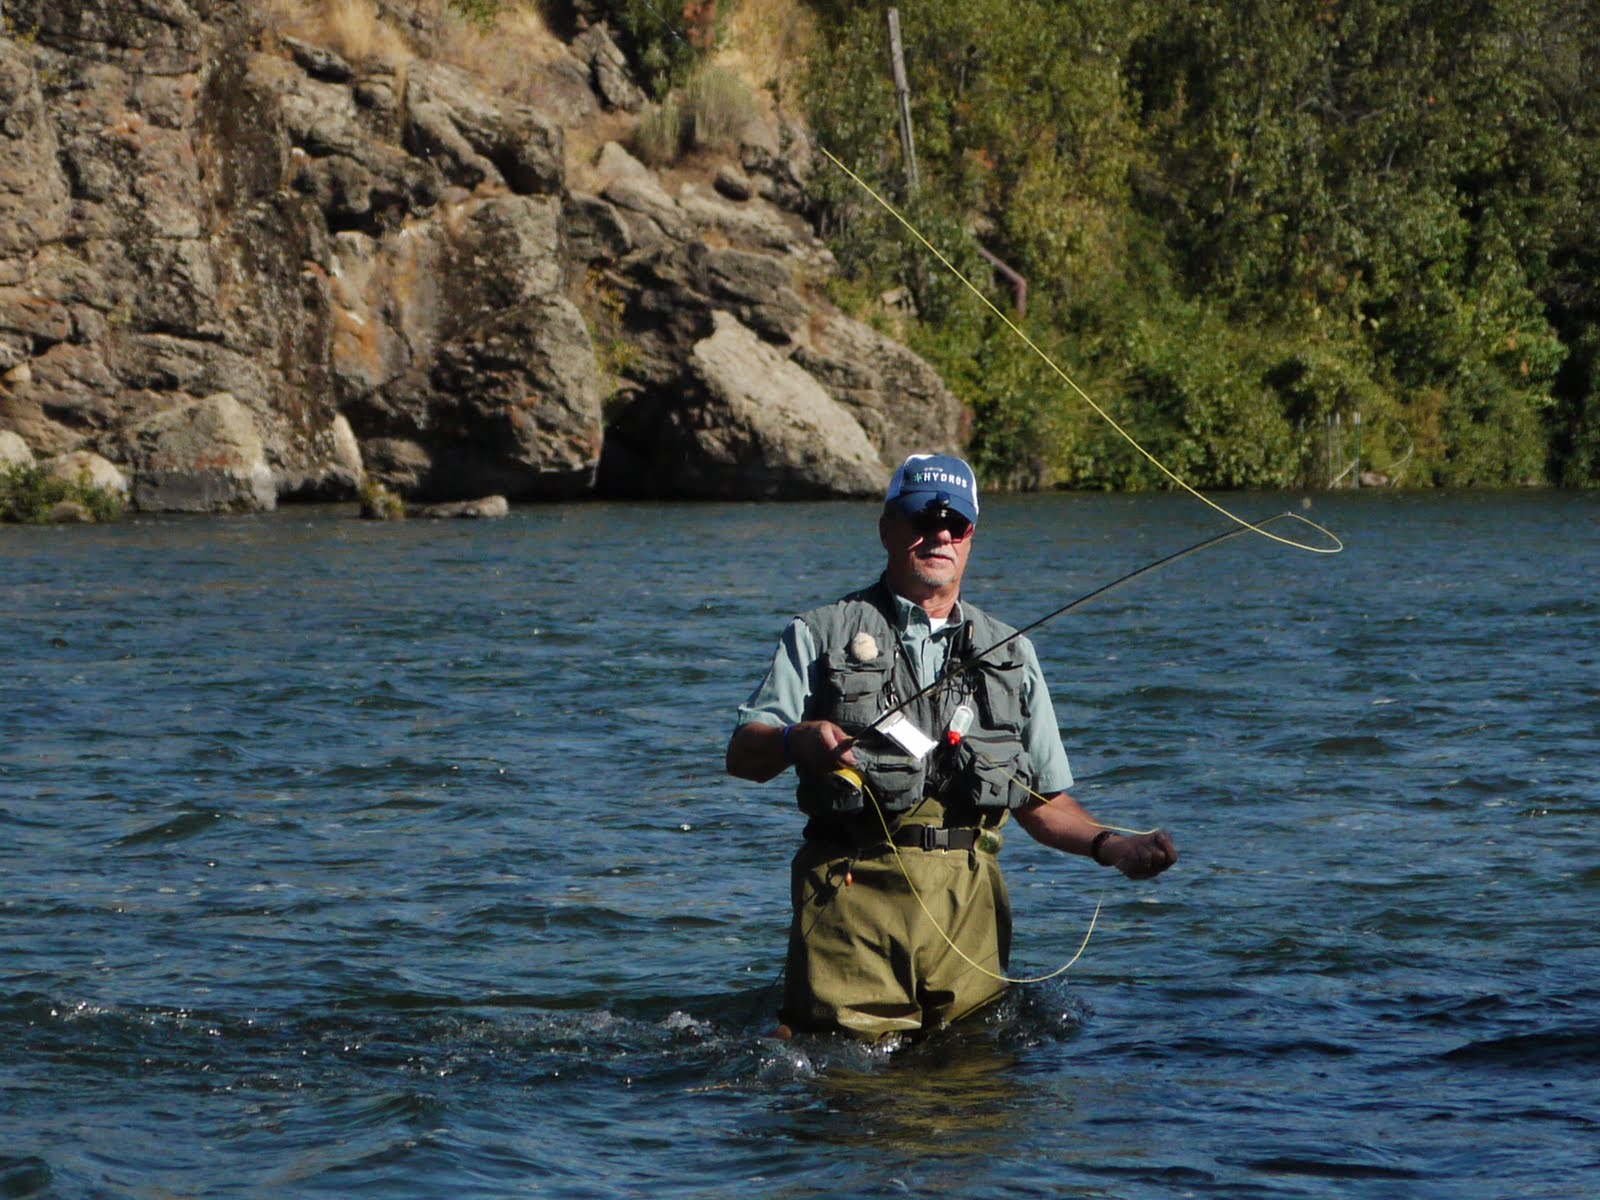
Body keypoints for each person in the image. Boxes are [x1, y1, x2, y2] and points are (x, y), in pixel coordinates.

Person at [726, 452, 1178, 1039]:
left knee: (972, 1082)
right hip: (852, 904)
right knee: (849, 1083)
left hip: (970, 916)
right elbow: (743, 754)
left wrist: (1113, 846)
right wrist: (795, 739)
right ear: (888, 529)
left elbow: (1040, 802)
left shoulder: (1012, 652)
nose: (940, 535)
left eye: (956, 525)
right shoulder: (818, 633)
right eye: (924, 519)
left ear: (969, 539)